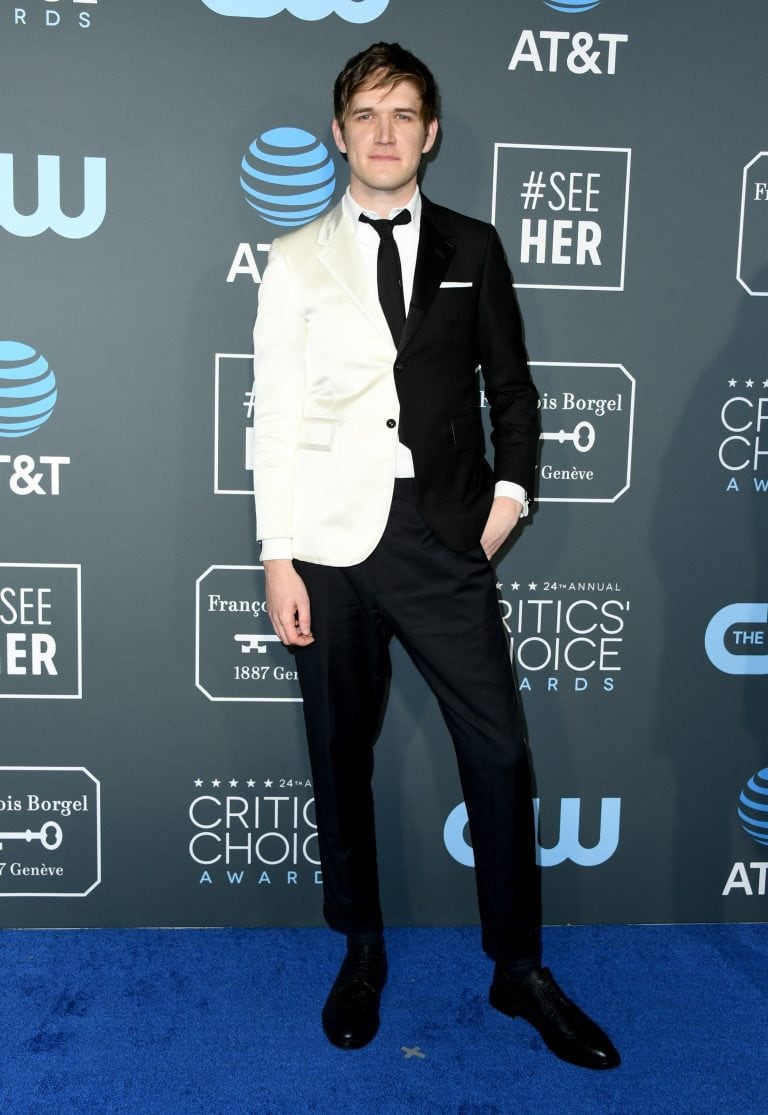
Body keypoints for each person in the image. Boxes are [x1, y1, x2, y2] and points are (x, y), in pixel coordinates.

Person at [252, 41, 619, 1070]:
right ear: (338, 132)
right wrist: (277, 554)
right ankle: (361, 947)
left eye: (403, 113)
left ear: (431, 131)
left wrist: (509, 501)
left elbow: (515, 390)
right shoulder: (293, 257)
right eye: (366, 113)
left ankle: (518, 968)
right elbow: (273, 415)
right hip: (327, 544)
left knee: (499, 751)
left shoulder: (473, 243)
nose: (383, 131)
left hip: (446, 533)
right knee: (340, 755)